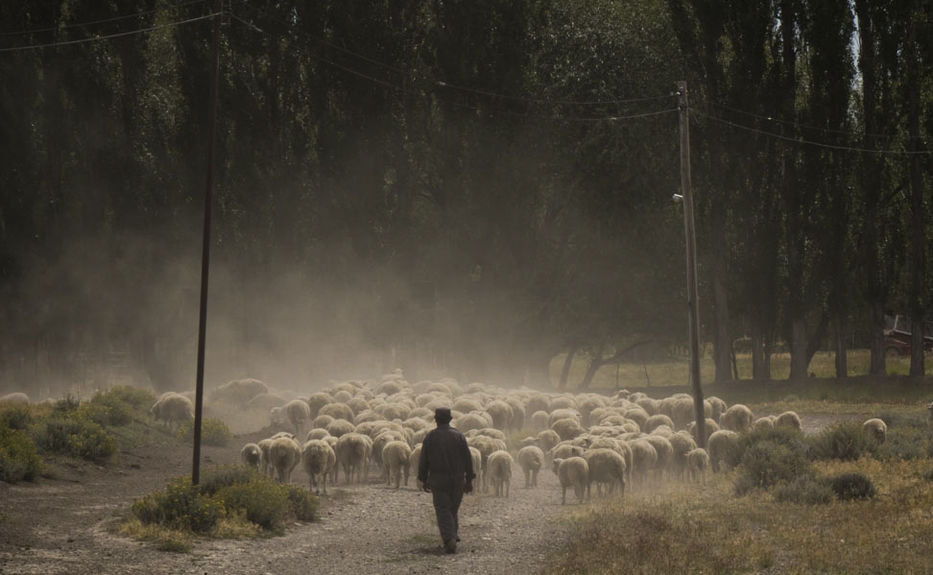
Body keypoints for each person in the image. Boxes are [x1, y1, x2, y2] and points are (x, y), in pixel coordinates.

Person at [417, 407, 475, 554]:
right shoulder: (459, 436)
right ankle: (453, 535)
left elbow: (424, 459)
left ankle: (449, 539)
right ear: (450, 419)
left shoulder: (431, 437)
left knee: (443, 509)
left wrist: (423, 478)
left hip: (438, 479)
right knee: (452, 508)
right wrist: (469, 479)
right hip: (457, 479)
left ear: (436, 420)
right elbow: (468, 458)